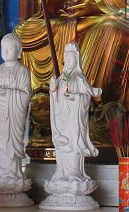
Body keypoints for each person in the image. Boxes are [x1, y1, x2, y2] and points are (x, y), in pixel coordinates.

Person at [49, 42, 102, 182]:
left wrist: (74, 96)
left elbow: (86, 97)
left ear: (77, 60)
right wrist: (53, 89)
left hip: (74, 120)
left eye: (71, 58)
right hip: (61, 119)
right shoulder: (61, 78)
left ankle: (74, 173)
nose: (68, 61)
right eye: (66, 58)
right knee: (62, 146)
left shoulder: (79, 78)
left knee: (73, 145)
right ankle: (61, 171)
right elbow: (55, 98)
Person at [0, 33, 31, 184]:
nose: (6, 51)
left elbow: (26, 95)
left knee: (10, 144)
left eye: (10, 48)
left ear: (19, 51)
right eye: (4, 48)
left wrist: (9, 91)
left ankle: (13, 174)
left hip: (13, 116)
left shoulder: (23, 71)